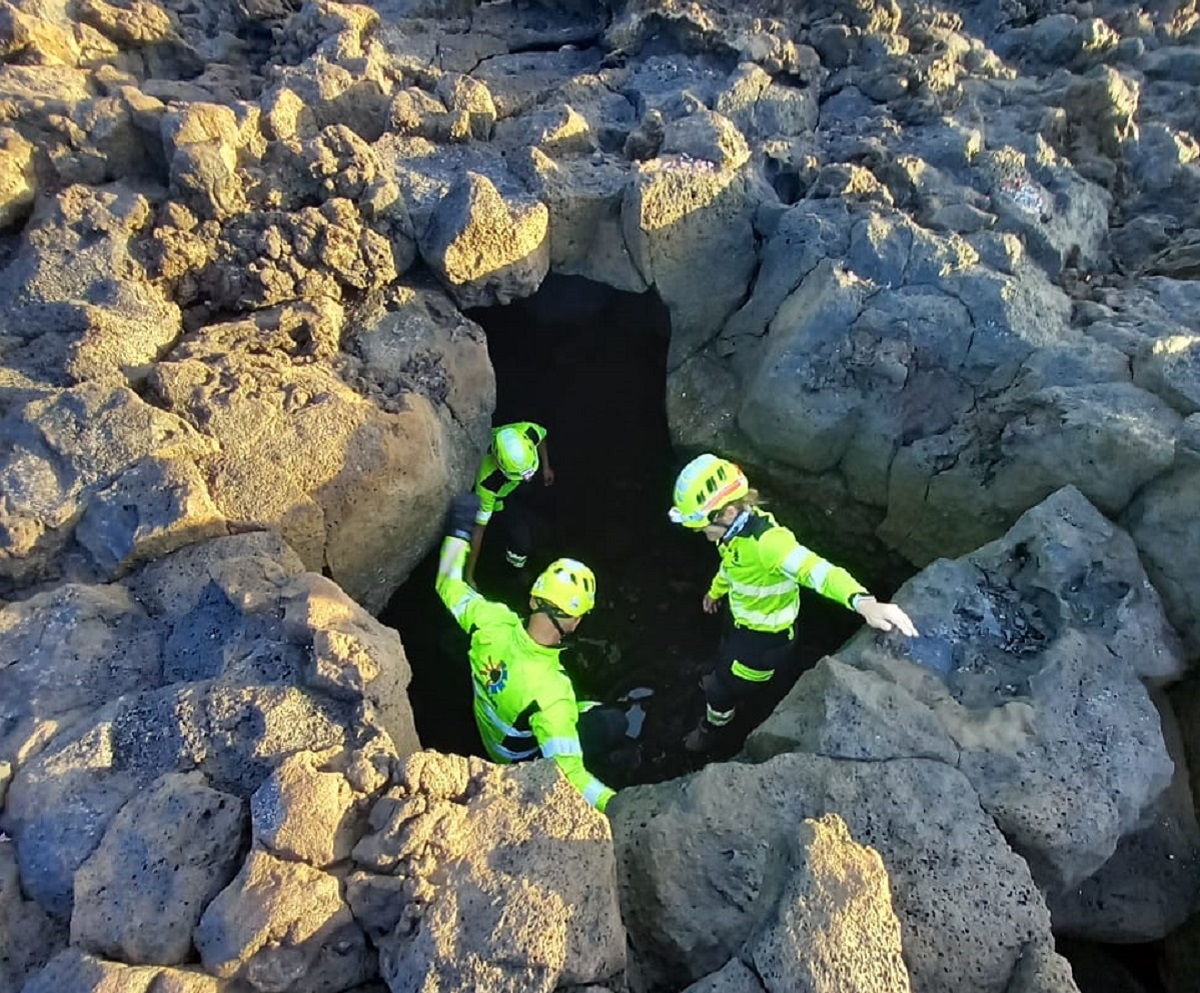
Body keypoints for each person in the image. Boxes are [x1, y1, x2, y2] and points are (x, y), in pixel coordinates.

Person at [668, 453, 919, 752]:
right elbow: (732, 569)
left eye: (702, 527)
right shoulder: (732, 538)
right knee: (725, 658)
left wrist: (863, 602)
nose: (702, 535)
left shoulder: (770, 544)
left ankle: (711, 730)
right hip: (743, 623)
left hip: (764, 644)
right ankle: (724, 677)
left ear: (728, 512)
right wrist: (715, 592)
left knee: (723, 690)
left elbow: (817, 571)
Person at [436, 492, 617, 812]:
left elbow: (447, 584)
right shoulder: (553, 694)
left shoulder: (490, 621)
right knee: (611, 722)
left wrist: (459, 530)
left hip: (488, 732)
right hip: (519, 763)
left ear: (533, 599)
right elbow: (570, 773)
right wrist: (613, 804)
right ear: (574, 623)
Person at [466, 421, 554, 587]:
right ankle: (511, 571)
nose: (526, 477)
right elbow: (479, 530)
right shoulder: (487, 484)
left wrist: (545, 467)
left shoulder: (526, 432)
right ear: (500, 465)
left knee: (530, 491)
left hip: (512, 487)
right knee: (522, 543)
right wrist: (469, 575)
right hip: (500, 501)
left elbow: (541, 437)